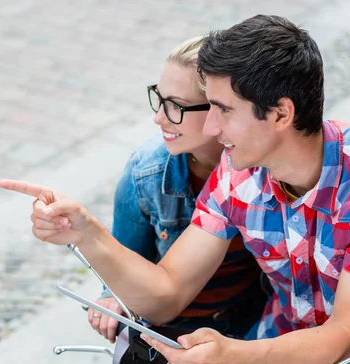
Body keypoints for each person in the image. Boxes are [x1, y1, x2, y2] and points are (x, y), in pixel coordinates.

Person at [0, 15, 350, 364]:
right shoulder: (238, 170)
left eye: (222, 109)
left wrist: (232, 352)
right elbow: (168, 293)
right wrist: (88, 233)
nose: (211, 127)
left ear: (280, 113)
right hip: (277, 349)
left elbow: (344, 341)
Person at [89, 36, 268, 343]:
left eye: (176, 106)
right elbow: (124, 256)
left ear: (220, 109)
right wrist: (112, 297)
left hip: (254, 320)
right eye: (159, 99)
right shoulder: (145, 173)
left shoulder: (265, 168)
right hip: (174, 329)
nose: (158, 117)